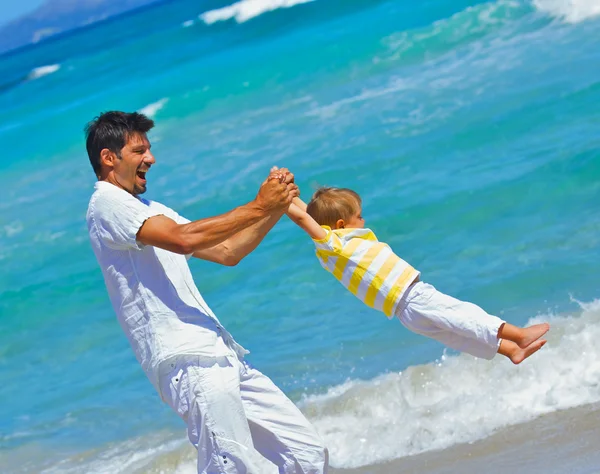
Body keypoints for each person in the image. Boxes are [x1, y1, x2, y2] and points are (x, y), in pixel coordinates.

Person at [84, 111, 328, 473]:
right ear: (109, 158)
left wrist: (274, 208)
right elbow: (183, 240)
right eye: (139, 151)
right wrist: (259, 205)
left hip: (221, 354)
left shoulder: (150, 209)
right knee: (232, 467)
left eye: (149, 149)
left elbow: (229, 252)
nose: (151, 159)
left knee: (307, 454)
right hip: (187, 361)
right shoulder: (107, 203)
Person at [284, 185, 550, 364]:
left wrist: (288, 192)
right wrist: (281, 204)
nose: (363, 221)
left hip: (403, 313)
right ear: (341, 225)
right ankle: (517, 335)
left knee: (456, 334)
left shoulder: (330, 251)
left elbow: (310, 216)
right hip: (413, 296)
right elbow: (306, 221)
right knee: (464, 315)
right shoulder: (336, 244)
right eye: (359, 216)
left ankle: (510, 350)